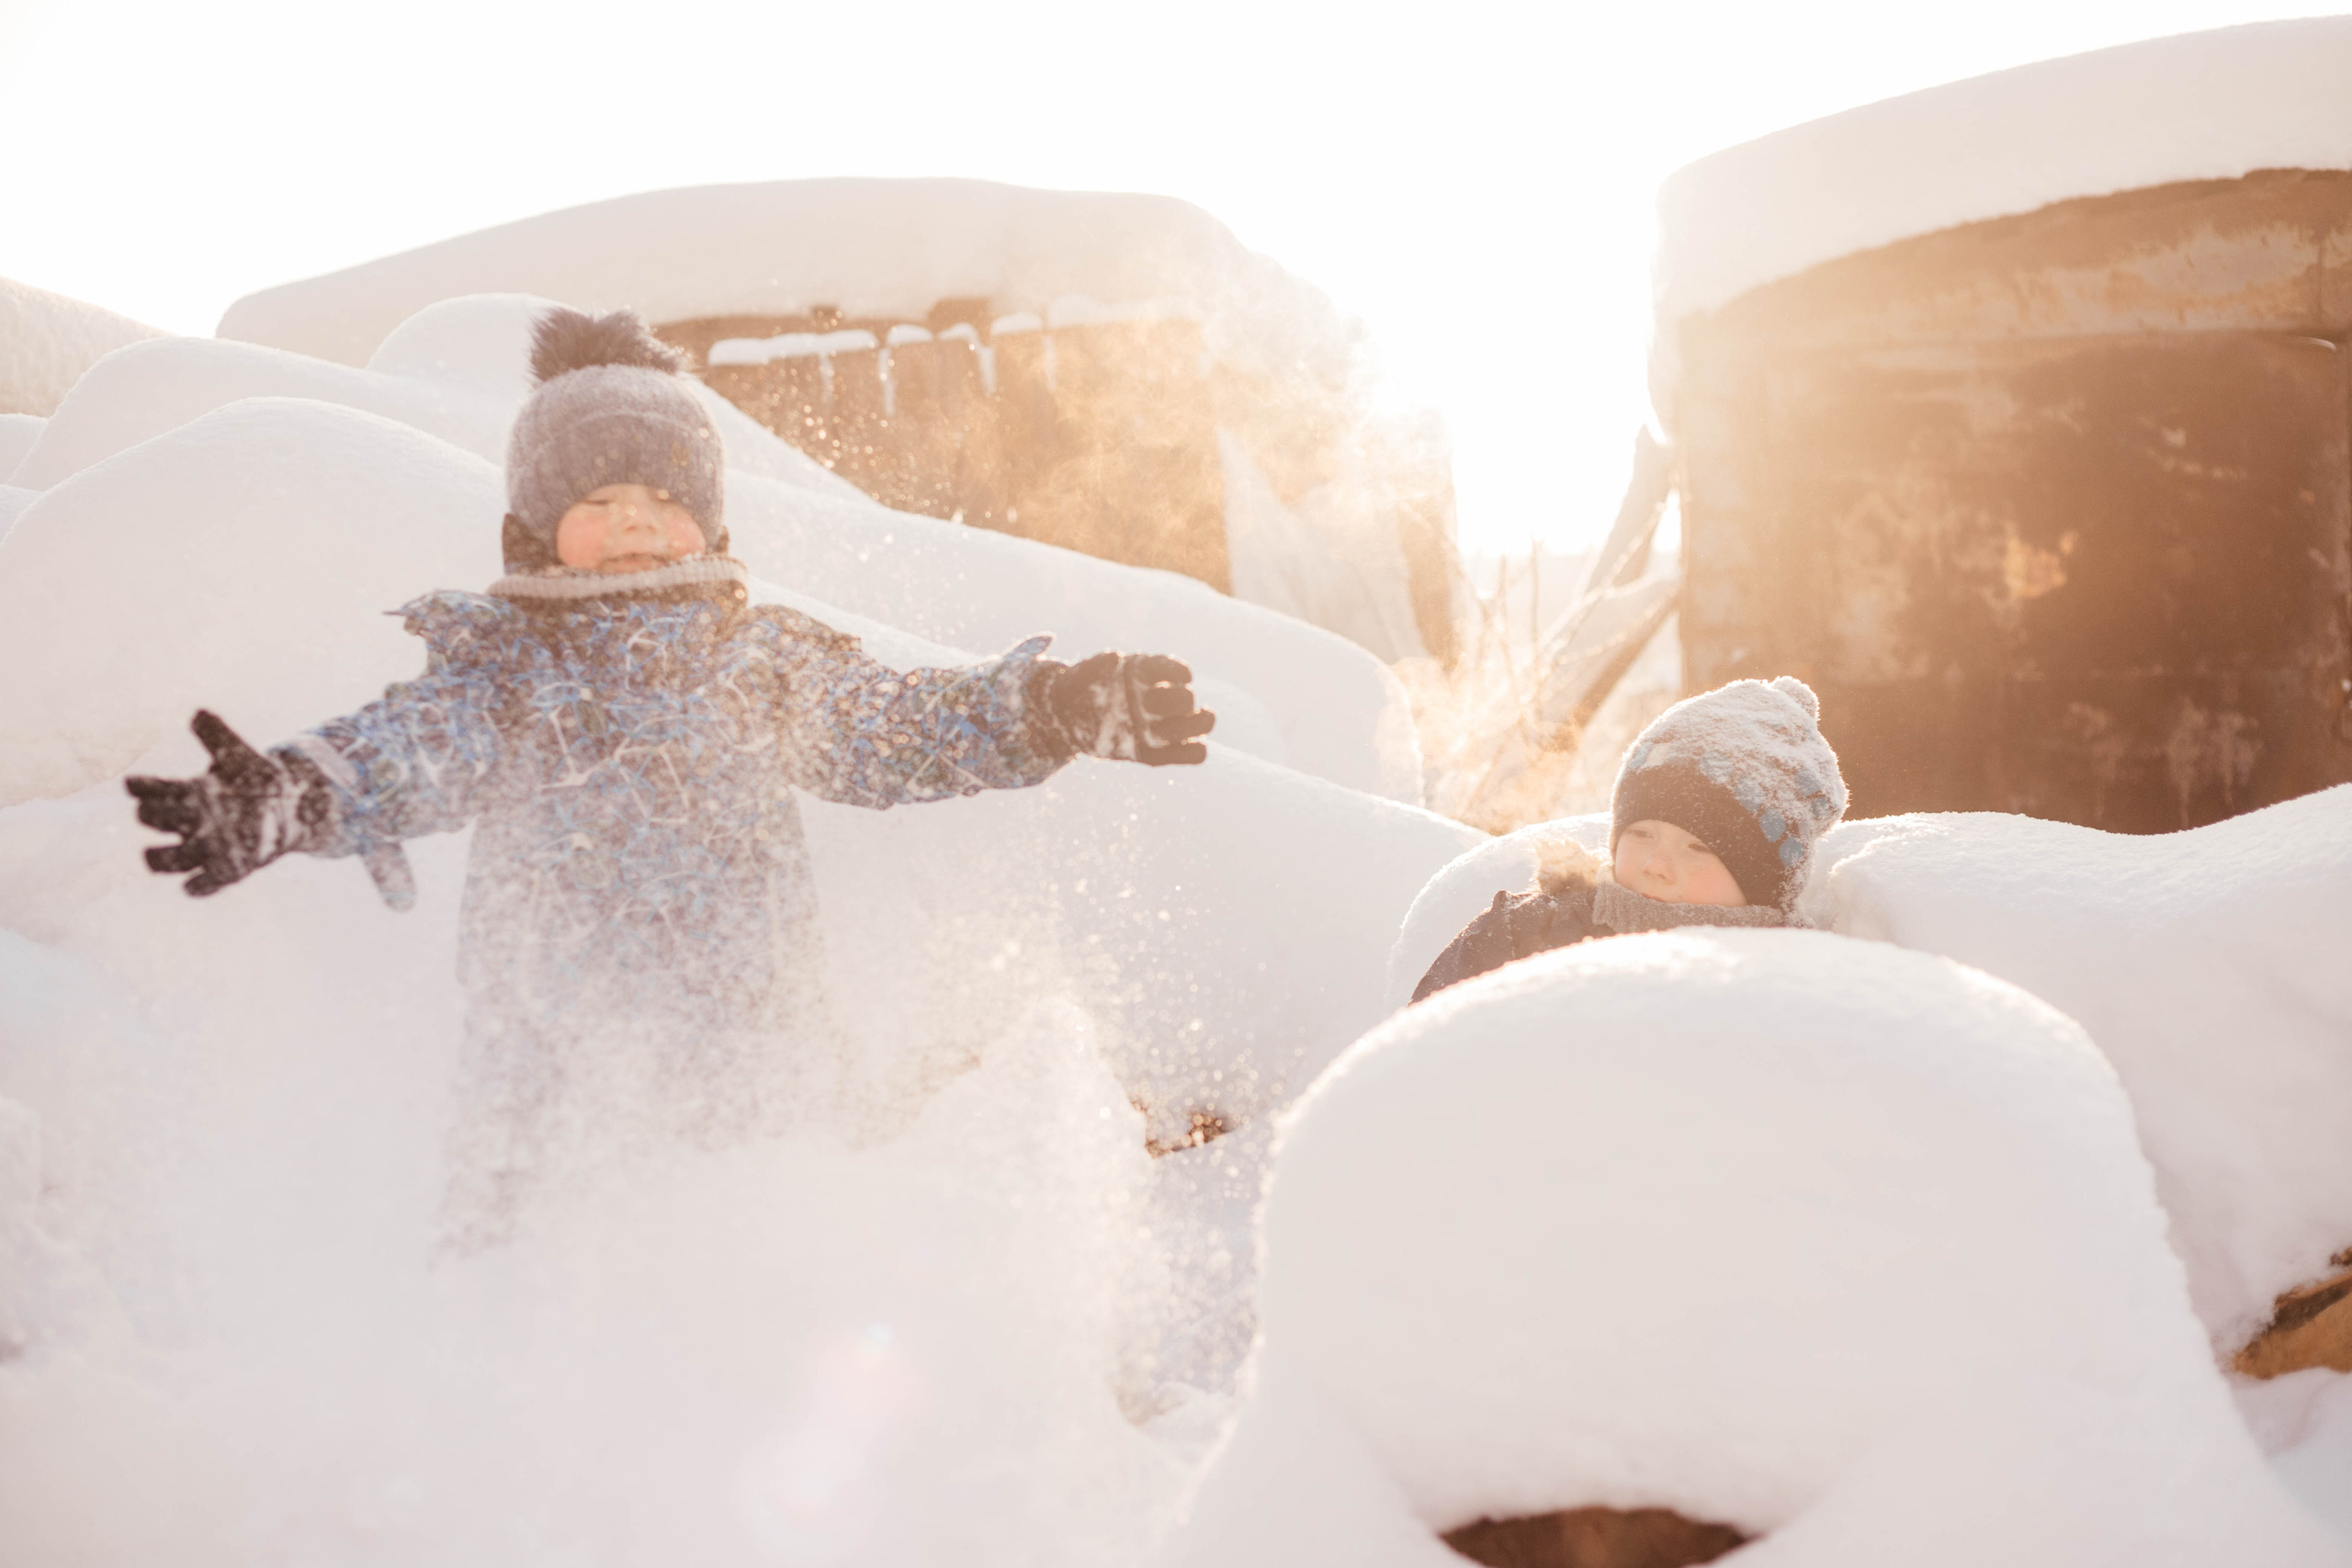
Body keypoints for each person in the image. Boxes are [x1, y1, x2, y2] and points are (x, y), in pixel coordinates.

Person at [125, 306, 1216, 1239]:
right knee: (542, 1313)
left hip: (757, 1062)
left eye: (665, 496)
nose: (637, 517)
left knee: (752, 1287)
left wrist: (1047, 708)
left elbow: (887, 727)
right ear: (535, 533)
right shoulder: (511, 672)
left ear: (711, 519)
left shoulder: (755, 658)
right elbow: (414, 745)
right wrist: (295, 792)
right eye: (596, 502)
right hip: (547, 1086)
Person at [1412, 676, 1844, 1003]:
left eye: (1699, 848)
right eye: (1640, 833)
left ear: (1763, 881)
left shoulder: (1789, 981)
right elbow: (1421, 1045)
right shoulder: (1529, 932)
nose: (1656, 863)